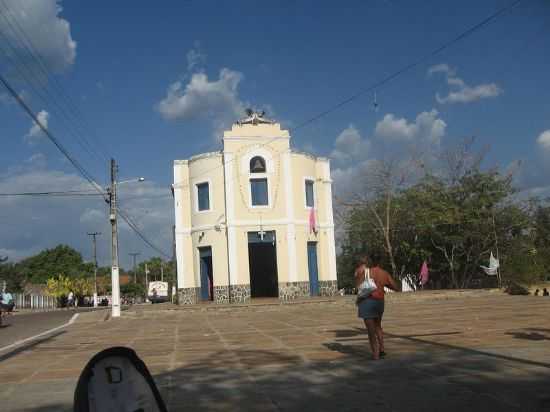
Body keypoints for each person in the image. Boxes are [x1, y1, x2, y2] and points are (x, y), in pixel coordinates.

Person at [356, 253, 399, 360]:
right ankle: (382, 349)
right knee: (378, 326)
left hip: (367, 302)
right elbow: (395, 287)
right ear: (381, 261)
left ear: (370, 261)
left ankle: (375, 354)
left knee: (371, 330)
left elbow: (358, 286)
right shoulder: (384, 273)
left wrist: (358, 274)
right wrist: (383, 285)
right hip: (379, 302)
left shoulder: (366, 272)